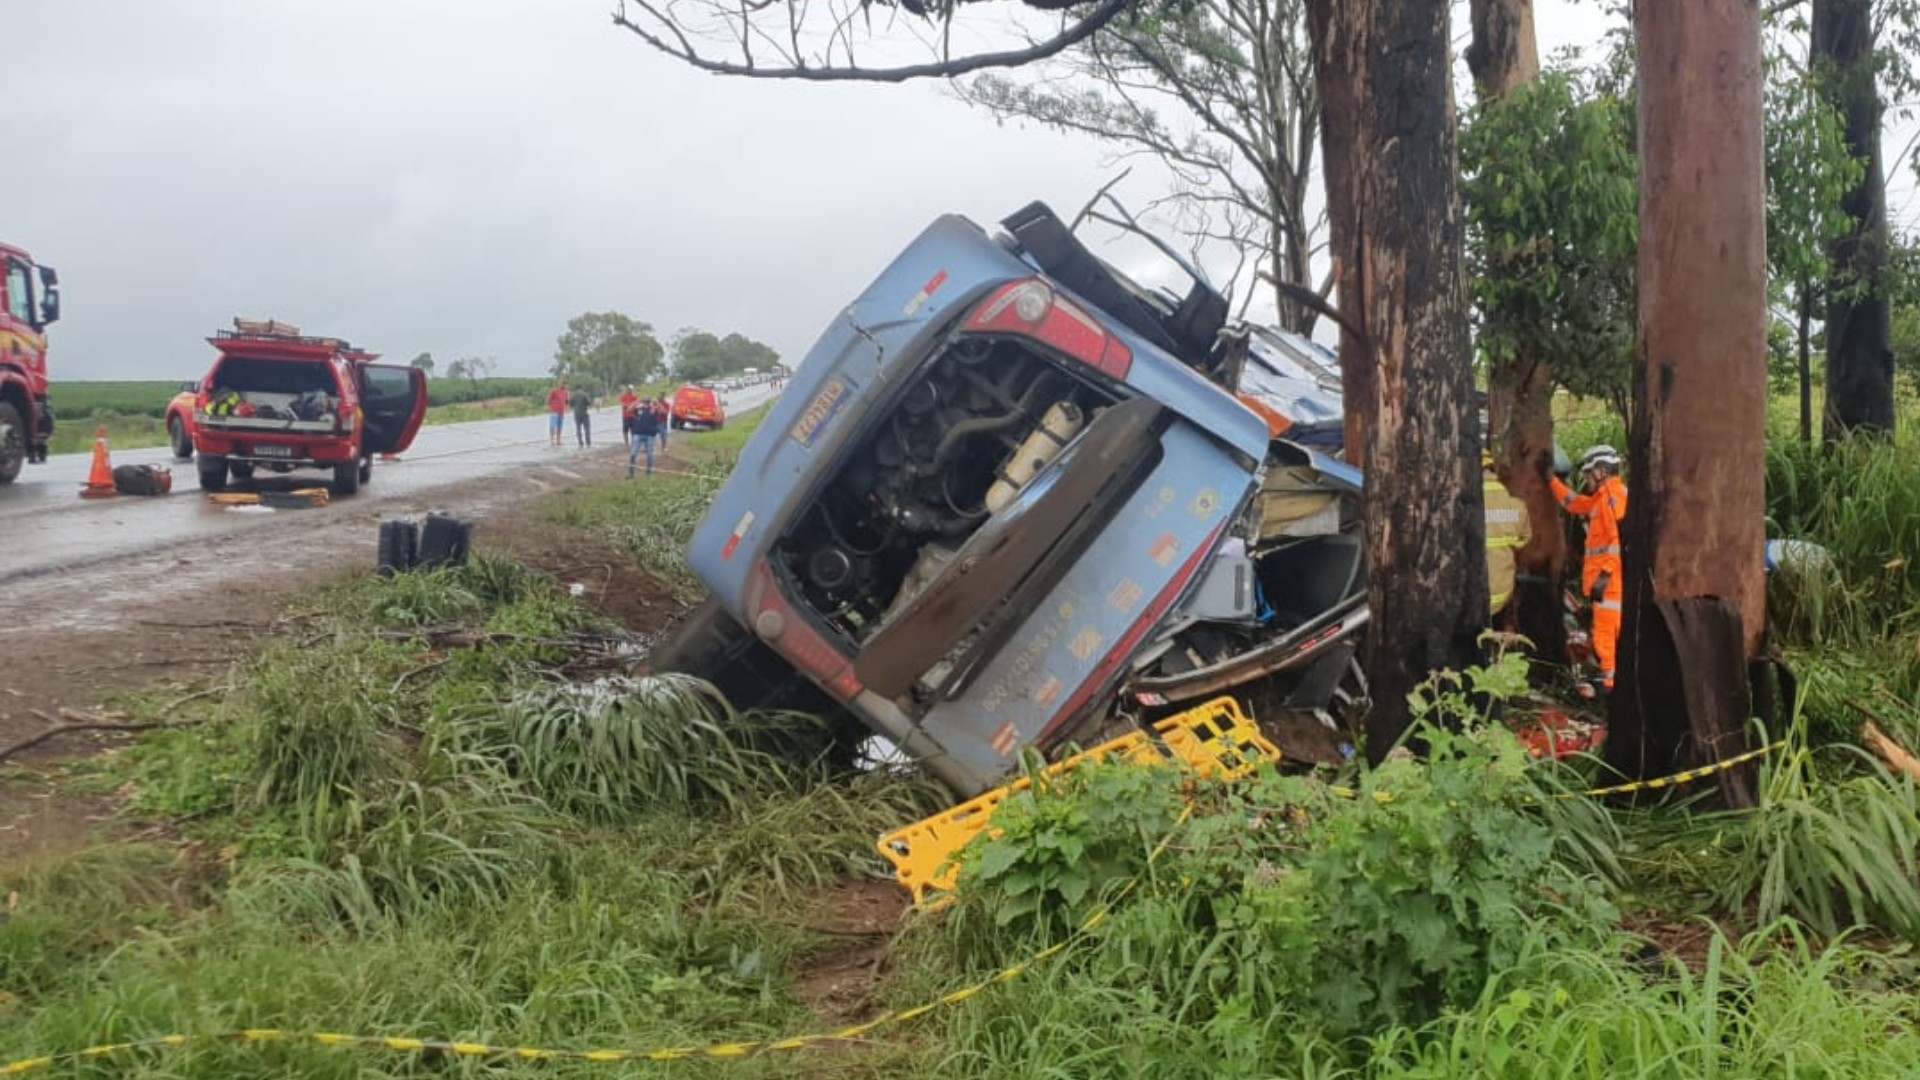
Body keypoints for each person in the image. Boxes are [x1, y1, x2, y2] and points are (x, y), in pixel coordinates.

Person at [1550, 444, 1628, 695]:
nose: (1586, 478)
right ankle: (1610, 687)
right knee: (1602, 636)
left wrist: (1604, 576)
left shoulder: (1613, 498)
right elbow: (1574, 503)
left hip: (1610, 586)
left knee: (1606, 638)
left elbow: (1619, 540)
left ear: (1602, 471)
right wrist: (1551, 481)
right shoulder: (1601, 498)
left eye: (1588, 473)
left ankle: (1611, 691)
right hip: (1603, 584)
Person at [1483, 453, 1531, 619]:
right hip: (1503, 592)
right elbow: (1525, 538)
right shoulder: (1514, 494)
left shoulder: (1463, 493)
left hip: (1471, 594)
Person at [629, 396, 661, 477]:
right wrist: (637, 401)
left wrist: (656, 403)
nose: (646, 403)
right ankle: (631, 473)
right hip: (638, 433)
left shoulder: (653, 409)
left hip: (650, 435)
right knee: (633, 453)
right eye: (644, 402)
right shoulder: (639, 409)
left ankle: (648, 473)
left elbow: (662, 411)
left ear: (650, 402)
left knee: (650, 454)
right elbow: (629, 409)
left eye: (647, 402)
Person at [545, 379, 569, 447]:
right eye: (562, 384)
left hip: (561, 411)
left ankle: (558, 440)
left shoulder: (565, 392)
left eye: (565, 384)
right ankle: (552, 440)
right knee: (553, 425)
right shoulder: (554, 391)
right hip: (554, 411)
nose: (563, 385)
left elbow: (566, 401)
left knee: (560, 426)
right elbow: (549, 399)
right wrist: (549, 407)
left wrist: (567, 408)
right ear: (559, 384)